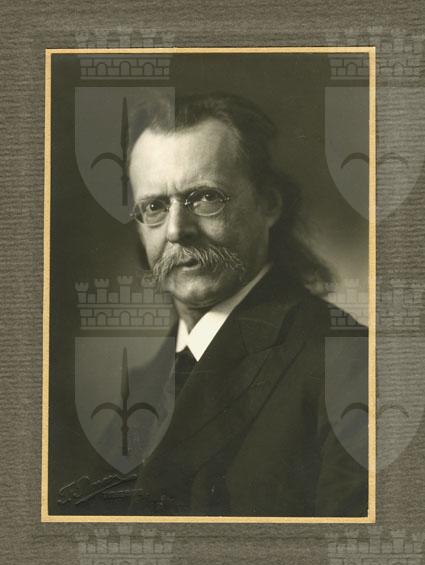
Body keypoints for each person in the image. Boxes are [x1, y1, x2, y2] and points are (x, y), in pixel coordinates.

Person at [125, 91, 368, 517]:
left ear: (268, 204)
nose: (177, 230)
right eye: (155, 206)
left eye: (205, 197)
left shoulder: (349, 362)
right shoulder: (138, 384)